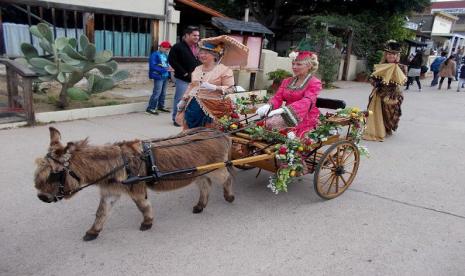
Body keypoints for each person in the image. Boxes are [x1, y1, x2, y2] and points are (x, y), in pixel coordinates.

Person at [255, 50, 321, 138]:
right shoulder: (287, 81)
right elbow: (278, 97)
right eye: (293, 64)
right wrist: (269, 105)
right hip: (285, 113)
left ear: (309, 66)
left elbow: (307, 101)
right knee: (264, 125)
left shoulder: (314, 82)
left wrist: (285, 110)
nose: (294, 67)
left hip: (303, 116)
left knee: (273, 128)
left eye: (298, 64)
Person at [175, 40, 235, 129]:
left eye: (206, 53)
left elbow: (231, 89)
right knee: (189, 131)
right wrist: (183, 100)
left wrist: (215, 87)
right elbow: (192, 85)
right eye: (201, 53)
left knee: (206, 133)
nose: (202, 55)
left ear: (215, 55)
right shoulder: (197, 69)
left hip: (212, 107)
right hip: (193, 105)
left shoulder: (225, 70)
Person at [363, 40, 406, 142]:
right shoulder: (380, 66)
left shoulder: (401, 67)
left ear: (397, 56)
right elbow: (372, 78)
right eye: (389, 54)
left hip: (393, 94)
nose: (391, 56)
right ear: (386, 55)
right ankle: (377, 131)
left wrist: (392, 83)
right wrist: (376, 83)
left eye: (393, 54)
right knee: (377, 114)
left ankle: (387, 129)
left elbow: (402, 80)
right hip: (379, 94)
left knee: (390, 114)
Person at [168, 26, 201, 126]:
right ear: (187, 35)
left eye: (198, 35)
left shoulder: (198, 47)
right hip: (183, 78)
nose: (197, 37)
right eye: (194, 35)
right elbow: (172, 61)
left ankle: (187, 118)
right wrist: (184, 73)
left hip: (196, 79)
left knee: (193, 100)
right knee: (181, 99)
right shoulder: (178, 47)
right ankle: (176, 119)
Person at [147, 41, 172, 115]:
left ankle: (160, 107)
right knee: (157, 92)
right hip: (158, 76)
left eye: (167, 49)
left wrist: (169, 74)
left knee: (163, 93)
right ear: (161, 47)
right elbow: (153, 66)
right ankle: (150, 108)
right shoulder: (154, 55)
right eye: (165, 49)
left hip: (165, 76)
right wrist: (165, 69)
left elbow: (167, 65)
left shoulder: (165, 55)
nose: (166, 50)